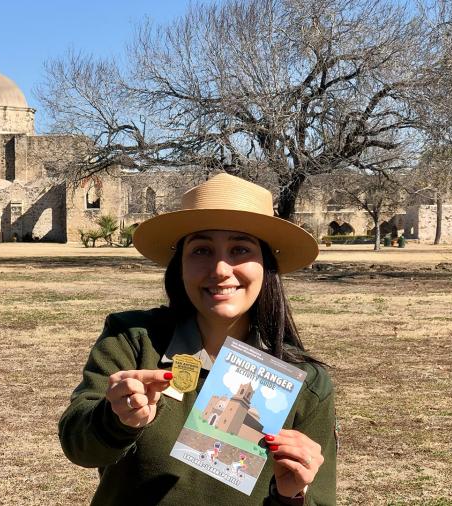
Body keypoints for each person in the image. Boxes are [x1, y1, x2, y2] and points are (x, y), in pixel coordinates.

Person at [59, 174, 336, 505]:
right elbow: (78, 444)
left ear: (266, 265)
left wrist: (292, 495)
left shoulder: (307, 383)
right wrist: (116, 418)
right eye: (202, 249)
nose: (220, 268)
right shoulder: (132, 340)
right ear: (180, 265)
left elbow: (319, 499)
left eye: (240, 249)